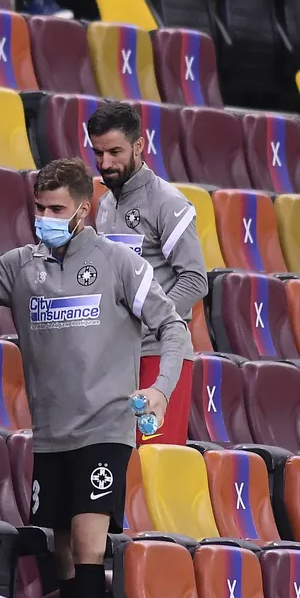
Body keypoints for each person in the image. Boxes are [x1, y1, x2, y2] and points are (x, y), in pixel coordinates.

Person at [0, 158, 189, 598]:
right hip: (50, 431)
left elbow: (173, 327)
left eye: (56, 209)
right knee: (63, 546)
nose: (45, 218)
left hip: (105, 425)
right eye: (40, 208)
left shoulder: (119, 263)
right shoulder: (20, 266)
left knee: (89, 539)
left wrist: (161, 390)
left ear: (83, 210)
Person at [89, 102, 208, 446]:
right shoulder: (106, 204)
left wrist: (148, 320)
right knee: (119, 465)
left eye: (115, 152)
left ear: (139, 146)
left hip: (161, 355)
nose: (105, 163)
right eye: (98, 153)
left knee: (156, 463)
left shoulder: (168, 202)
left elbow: (195, 280)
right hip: (118, 358)